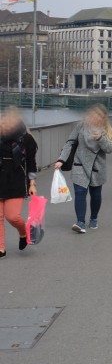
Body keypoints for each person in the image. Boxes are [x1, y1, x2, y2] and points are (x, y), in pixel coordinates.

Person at [56, 104, 112, 234]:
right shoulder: (81, 126)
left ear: (102, 118)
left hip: (97, 168)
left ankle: (94, 218)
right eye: (93, 114)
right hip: (80, 165)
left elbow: (110, 149)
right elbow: (70, 142)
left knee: (95, 195)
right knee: (79, 193)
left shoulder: (105, 130)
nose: (94, 117)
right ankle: (80, 222)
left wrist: (100, 138)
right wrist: (61, 159)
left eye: (98, 116)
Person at [0, 108, 37, 258]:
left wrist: (32, 184)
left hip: (16, 180)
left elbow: (31, 163)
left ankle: (23, 232)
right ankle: (1, 247)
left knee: (13, 216)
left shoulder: (26, 139)